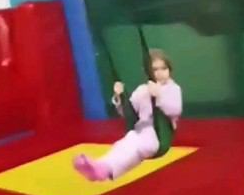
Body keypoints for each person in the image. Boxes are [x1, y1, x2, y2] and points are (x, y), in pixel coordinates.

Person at [73, 49, 182, 182]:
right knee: (123, 145)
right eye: (155, 69)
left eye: (164, 68)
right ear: (147, 72)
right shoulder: (142, 90)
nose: (160, 73)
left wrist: (159, 96)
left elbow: (175, 110)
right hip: (140, 131)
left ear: (169, 69)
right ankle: (101, 167)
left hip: (159, 135)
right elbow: (128, 113)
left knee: (136, 146)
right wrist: (119, 96)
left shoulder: (173, 89)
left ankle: (105, 169)